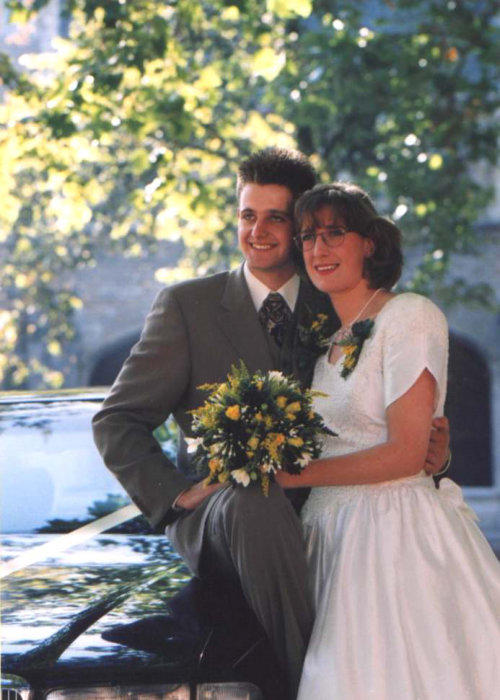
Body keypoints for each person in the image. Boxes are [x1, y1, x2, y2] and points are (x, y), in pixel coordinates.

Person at [92, 148, 450, 698]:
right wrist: (176, 494)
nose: (257, 232)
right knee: (253, 498)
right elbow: (118, 419)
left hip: (327, 509)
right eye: (247, 215)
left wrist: (434, 452)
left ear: (301, 224)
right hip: (221, 512)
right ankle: (304, 684)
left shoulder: (338, 300)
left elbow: (384, 407)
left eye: (276, 218)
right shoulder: (188, 306)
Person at [274, 182, 500, 699]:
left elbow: (406, 452)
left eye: (334, 233)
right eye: (308, 236)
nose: (318, 248)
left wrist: (293, 475)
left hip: (392, 540)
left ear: (370, 243)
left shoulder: (409, 316)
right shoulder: (326, 343)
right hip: (327, 539)